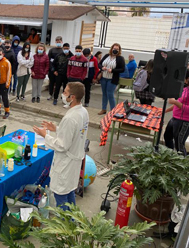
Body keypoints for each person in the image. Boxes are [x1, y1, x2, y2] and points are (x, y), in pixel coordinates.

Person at [33, 82, 89, 210]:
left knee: (61, 196)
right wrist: (56, 129)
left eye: (65, 92)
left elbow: (62, 145)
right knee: (69, 192)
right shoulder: (83, 112)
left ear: (72, 97)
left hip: (66, 163)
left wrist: (45, 135)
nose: (63, 95)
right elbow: (73, 133)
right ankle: (72, 221)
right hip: (74, 160)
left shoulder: (71, 117)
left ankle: (65, 225)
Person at [164, 69, 189, 156]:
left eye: (183, 79)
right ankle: (169, 156)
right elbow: (179, 102)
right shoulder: (186, 88)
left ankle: (182, 164)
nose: (182, 82)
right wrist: (165, 111)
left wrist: (175, 102)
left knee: (179, 145)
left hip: (186, 121)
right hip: (175, 118)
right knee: (167, 137)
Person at [98, 43, 126, 115]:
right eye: (114, 49)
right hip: (104, 77)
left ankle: (113, 111)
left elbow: (122, 69)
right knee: (104, 94)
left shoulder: (120, 58)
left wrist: (113, 70)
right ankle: (103, 109)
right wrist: (102, 68)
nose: (115, 50)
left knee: (110, 94)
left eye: (117, 49)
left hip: (112, 79)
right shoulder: (106, 56)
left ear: (119, 50)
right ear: (111, 48)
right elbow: (99, 64)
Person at [47, 36, 64, 100]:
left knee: (58, 84)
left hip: (59, 71)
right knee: (51, 83)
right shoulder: (51, 50)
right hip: (52, 70)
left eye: (59, 41)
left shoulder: (63, 51)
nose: (58, 42)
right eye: (57, 41)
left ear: (61, 42)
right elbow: (49, 61)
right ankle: (50, 94)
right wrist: (52, 69)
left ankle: (56, 96)